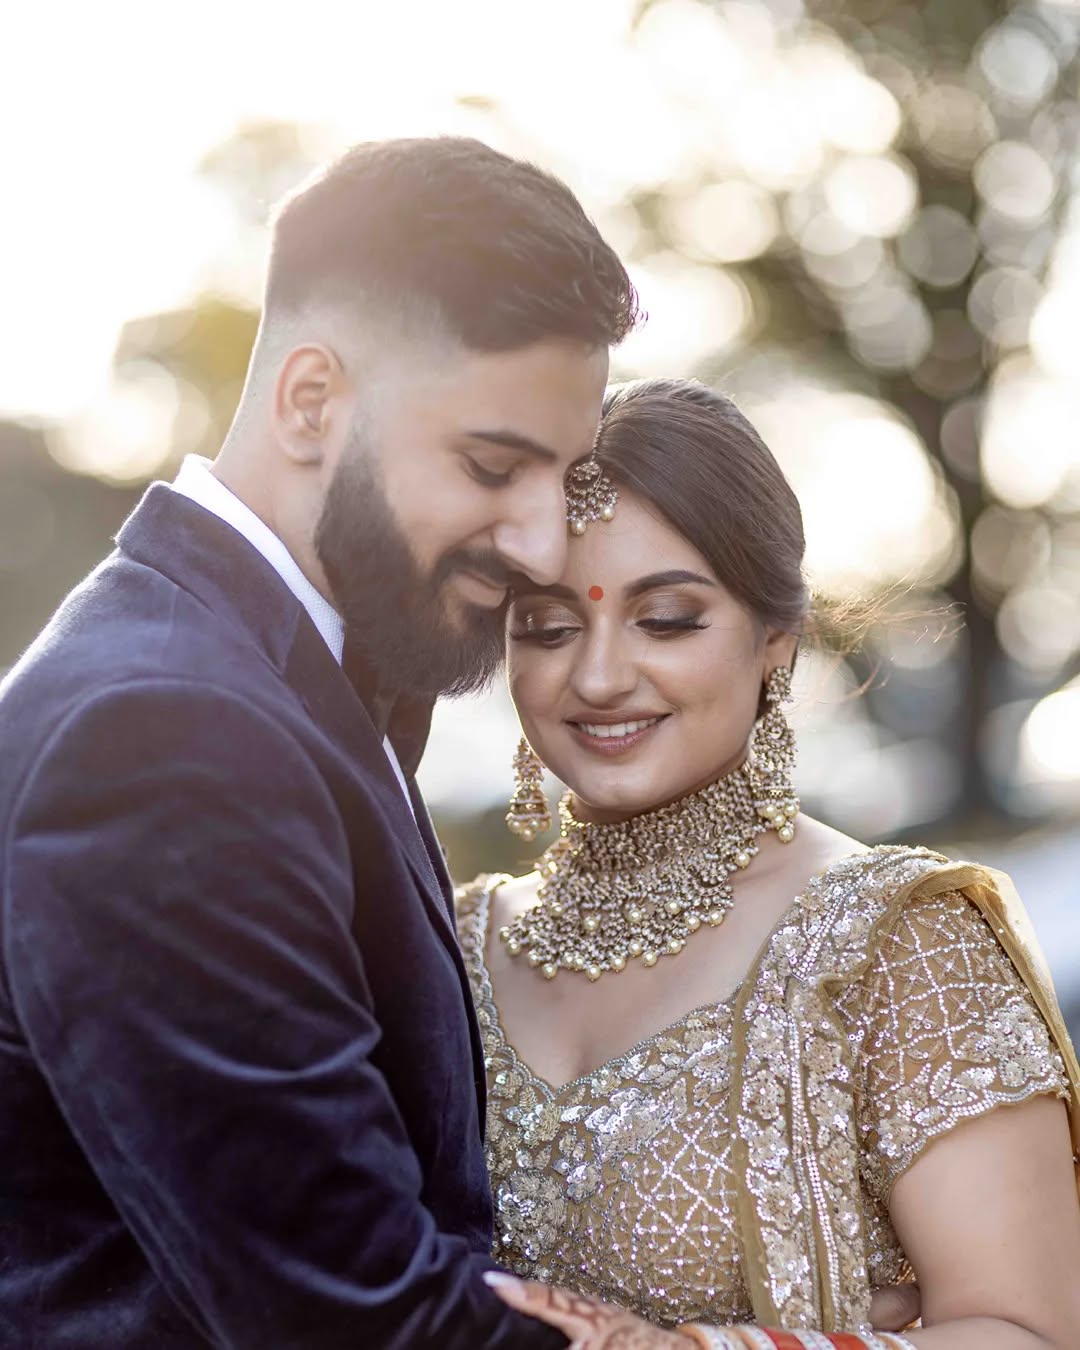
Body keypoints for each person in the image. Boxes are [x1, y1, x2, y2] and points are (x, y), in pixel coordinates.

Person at [0, 136, 638, 1348]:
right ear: (310, 400)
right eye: (492, 465)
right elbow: (358, 1319)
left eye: (565, 479)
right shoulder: (159, 735)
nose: (544, 545)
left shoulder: (264, 678)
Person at [459, 379, 1080, 1349]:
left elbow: (1029, 1333)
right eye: (548, 626)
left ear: (776, 646)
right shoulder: (450, 945)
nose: (598, 675)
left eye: (666, 619)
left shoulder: (893, 941)